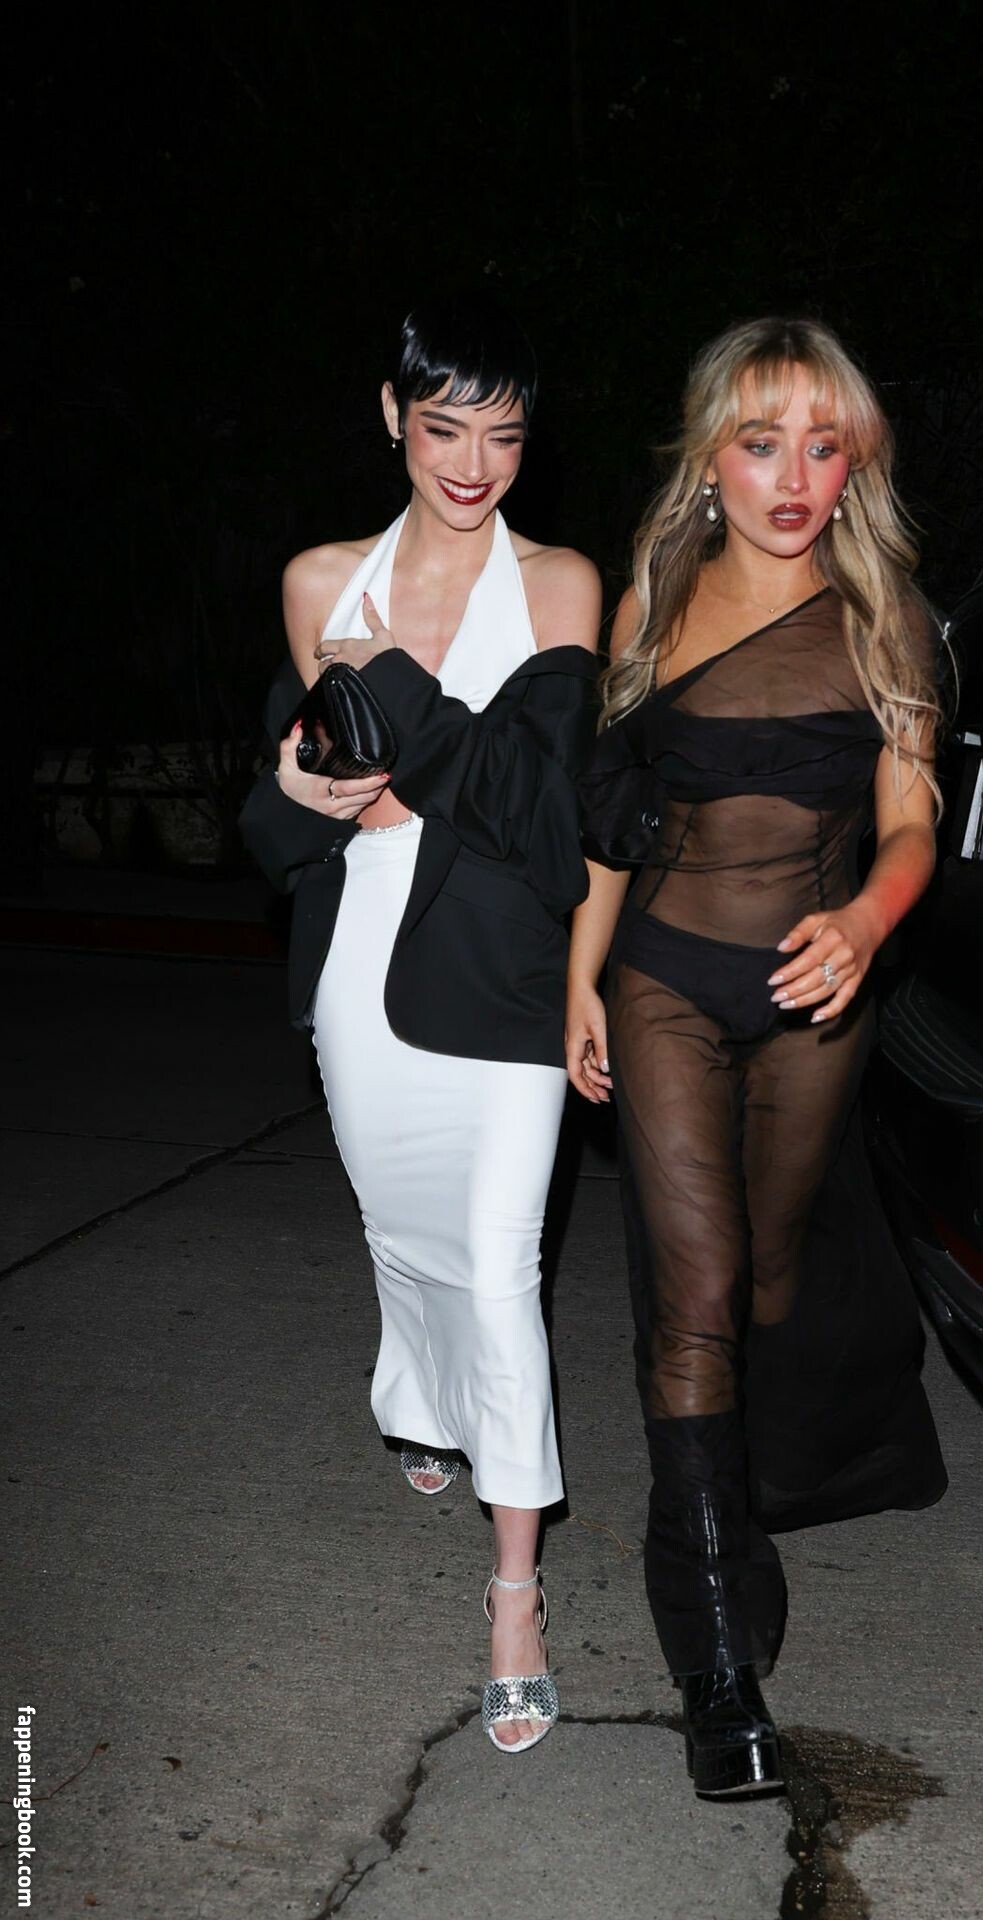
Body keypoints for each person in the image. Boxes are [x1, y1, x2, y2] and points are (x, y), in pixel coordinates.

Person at [566, 316, 948, 1798]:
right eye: (760, 441)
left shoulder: (883, 617)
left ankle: (780, 1461)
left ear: (854, 466)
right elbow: (614, 819)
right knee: (699, 1292)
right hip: (664, 972)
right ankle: (719, 1662)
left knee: (771, 1277)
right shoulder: (653, 601)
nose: (792, 477)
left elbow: (910, 823)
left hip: (814, 993)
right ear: (709, 458)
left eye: (822, 444)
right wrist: (581, 981)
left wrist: (865, 918)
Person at [240, 295, 600, 1753]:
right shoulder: (319, 577)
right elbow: (315, 802)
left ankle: (514, 1595)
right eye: (444, 428)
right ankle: (420, 1394)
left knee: (500, 1265)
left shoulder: (564, 584)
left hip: (507, 968)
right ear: (393, 417)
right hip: (361, 957)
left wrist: (390, 690)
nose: (472, 463)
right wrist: (306, 789)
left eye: (502, 435)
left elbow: (541, 819)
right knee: (402, 1230)